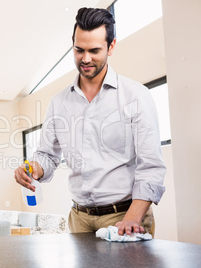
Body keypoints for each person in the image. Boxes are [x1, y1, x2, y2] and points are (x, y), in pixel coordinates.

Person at [14, 7, 166, 237]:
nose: (85, 59)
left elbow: (151, 166)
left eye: (94, 50)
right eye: (79, 50)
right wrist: (34, 168)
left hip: (125, 216)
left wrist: (132, 218)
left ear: (111, 46)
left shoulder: (136, 96)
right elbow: (47, 154)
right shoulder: (59, 102)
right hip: (79, 218)